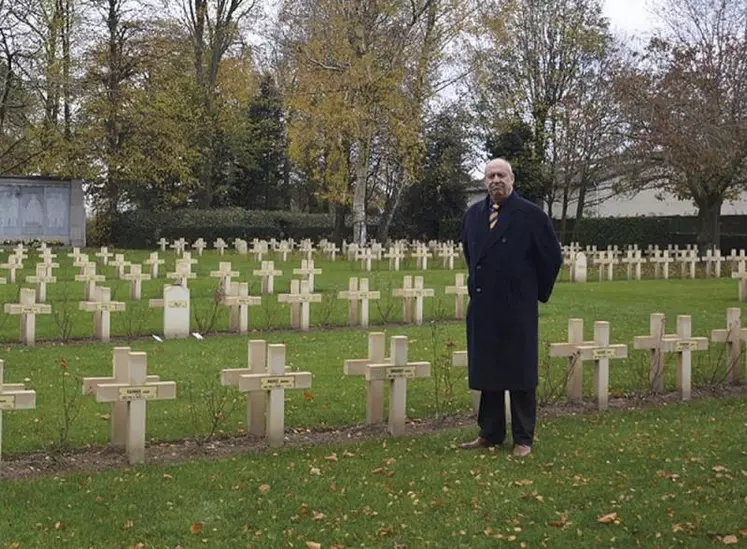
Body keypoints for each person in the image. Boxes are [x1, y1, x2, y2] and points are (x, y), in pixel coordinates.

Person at [459, 158, 562, 457]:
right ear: (484, 182)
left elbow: (551, 257)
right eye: (490, 175)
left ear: (512, 179)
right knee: (488, 372)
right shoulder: (473, 215)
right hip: (484, 306)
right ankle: (489, 433)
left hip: (516, 307)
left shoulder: (530, 215)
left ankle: (523, 438)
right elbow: (470, 252)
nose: (495, 180)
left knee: (519, 373)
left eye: (501, 175)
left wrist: (533, 292)